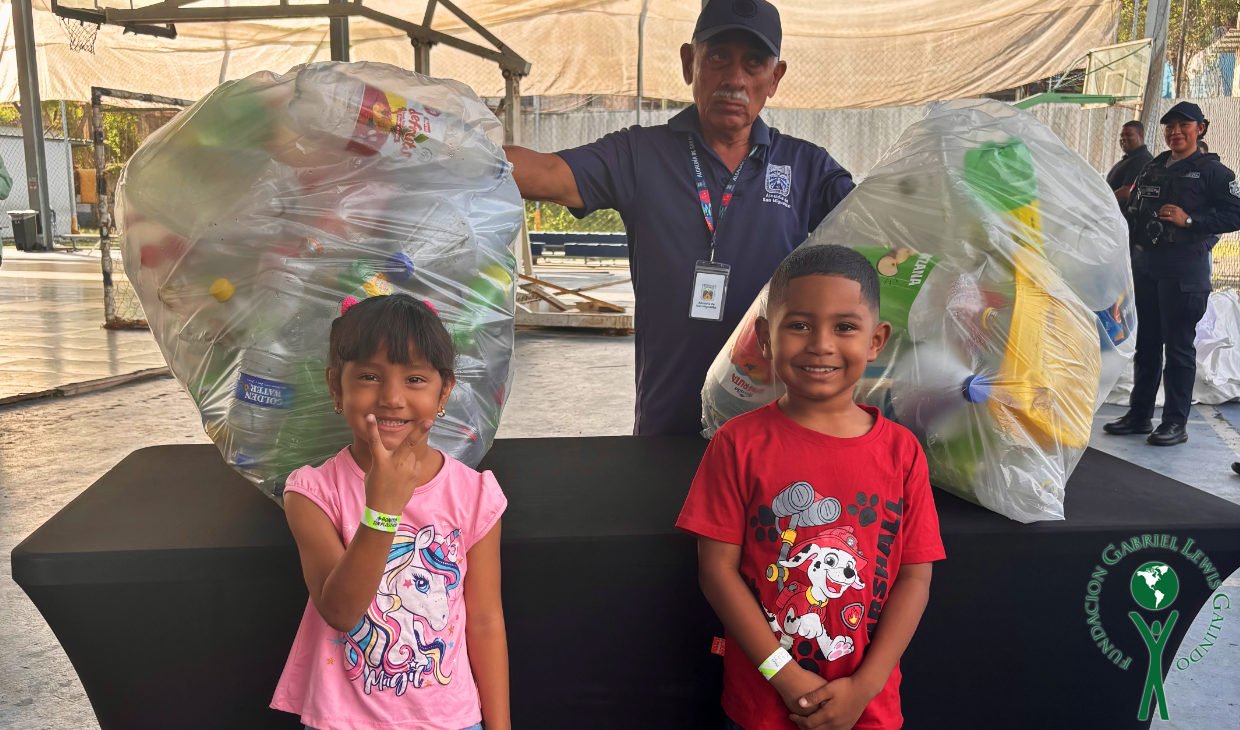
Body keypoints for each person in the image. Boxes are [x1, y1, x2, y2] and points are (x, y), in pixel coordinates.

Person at [505, 0, 854, 436]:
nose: (735, 78)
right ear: (690, 63)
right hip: (667, 422)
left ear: (775, 77)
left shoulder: (806, 168)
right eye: (718, 57)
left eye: (753, 63)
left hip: (771, 428)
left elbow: (882, 225)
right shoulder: (640, 155)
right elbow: (548, 173)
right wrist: (444, 147)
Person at [676, 245, 944, 730]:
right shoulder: (736, 444)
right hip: (763, 707)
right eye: (799, 325)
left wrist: (864, 688)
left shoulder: (902, 452)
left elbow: (914, 579)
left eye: (845, 327)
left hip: (868, 709)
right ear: (765, 337)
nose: (821, 344)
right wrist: (786, 679)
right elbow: (717, 574)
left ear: (876, 340)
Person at [271, 294, 510, 730]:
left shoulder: (474, 495)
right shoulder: (312, 492)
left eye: (415, 379)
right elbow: (341, 612)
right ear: (335, 386)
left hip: (451, 721)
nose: (392, 398)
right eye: (369, 376)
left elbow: (485, 620)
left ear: (444, 390)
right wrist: (382, 509)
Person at [1104, 102, 1240, 446]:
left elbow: (1235, 214)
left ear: (1200, 128)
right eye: (1169, 127)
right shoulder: (1154, 166)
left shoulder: (1213, 172)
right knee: (1147, 345)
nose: (1175, 132)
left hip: (1184, 271)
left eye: (1183, 125)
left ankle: (1175, 423)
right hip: (1148, 267)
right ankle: (1139, 415)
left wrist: (1190, 220)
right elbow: (1135, 208)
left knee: (1178, 348)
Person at [1106, 120, 1152, 208]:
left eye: (1128, 135)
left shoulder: (1142, 159)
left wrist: (1103, 201)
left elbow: (1128, 191)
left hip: (1120, 213)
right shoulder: (1130, 158)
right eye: (1122, 135)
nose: (1123, 138)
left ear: (1141, 136)